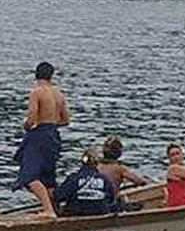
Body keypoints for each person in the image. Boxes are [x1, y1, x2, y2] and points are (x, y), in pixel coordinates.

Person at [12, 61, 70, 219]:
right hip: (53, 134)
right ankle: (54, 207)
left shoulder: (36, 92)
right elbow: (66, 120)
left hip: (39, 135)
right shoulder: (58, 93)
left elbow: (31, 118)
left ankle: (48, 210)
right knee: (48, 176)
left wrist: (26, 125)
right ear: (51, 76)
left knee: (29, 176)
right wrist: (50, 122)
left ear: (36, 75)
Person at [54, 147, 118, 216]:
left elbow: (59, 196)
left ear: (82, 162)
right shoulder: (105, 180)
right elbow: (111, 199)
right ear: (97, 163)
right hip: (101, 211)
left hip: (76, 212)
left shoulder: (73, 178)